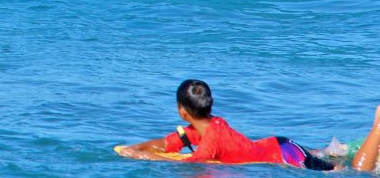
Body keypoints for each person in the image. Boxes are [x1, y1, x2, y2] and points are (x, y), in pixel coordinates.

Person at [116, 79, 335, 170]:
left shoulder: (211, 139)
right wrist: (135, 148)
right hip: (279, 145)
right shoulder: (207, 126)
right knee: (329, 156)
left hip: (287, 156)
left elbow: (191, 163)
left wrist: (144, 157)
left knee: (342, 171)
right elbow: (167, 143)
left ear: (182, 111)